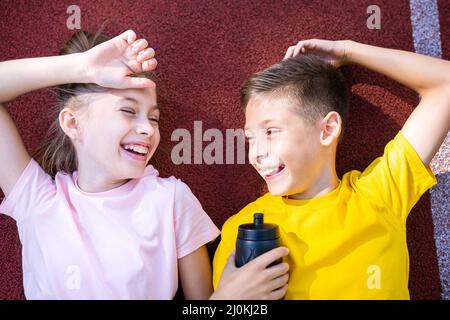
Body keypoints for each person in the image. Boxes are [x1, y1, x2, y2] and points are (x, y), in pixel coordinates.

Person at [0, 29, 289, 299]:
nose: (149, 130)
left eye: (153, 118)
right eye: (128, 110)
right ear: (72, 123)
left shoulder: (169, 200)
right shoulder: (38, 203)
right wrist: (81, 67)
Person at [213, 39, 450, 299]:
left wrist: (348, 51)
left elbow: (445, 83)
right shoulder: (241, 230)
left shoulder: (380, 194)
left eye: (271, 131)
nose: (256, 152)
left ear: (327, 130)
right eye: (250, 137)